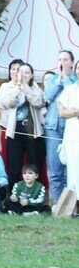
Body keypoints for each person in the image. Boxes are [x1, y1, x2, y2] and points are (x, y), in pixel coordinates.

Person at [0, 63, 45, 186]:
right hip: (15, 132)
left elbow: (38, 102)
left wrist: (26, 88)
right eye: (21, 72)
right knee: (14, 167)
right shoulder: (11, 87)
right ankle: (14, 197)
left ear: (32, 75)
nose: (23, 74)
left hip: (33, 132)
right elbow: (7, 103)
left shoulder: (36, 88)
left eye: (26, 72)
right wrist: (18, 88)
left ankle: (35, 197)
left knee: (34, 167)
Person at [44, 50, 76, 204]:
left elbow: (73, 99)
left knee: (70, 167)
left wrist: (67, 79)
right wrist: (59, 80)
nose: (62, 62)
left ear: (72, 62)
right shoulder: (52, 80)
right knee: (55, 167)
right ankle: (57, 204)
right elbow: (48, 96)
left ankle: (71, 203)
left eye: (65, 59)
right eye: (59, 59)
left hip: (72, 129)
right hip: (53, 127)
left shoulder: (75, 81)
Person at [56, 63, 79, 212]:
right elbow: (61, 112)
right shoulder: (70, 89)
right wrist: (75, 113)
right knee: (73, 167)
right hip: (73, 133)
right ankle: (74, 204)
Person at [0, 58, 24, 157]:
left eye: (18, 69)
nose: (15, 72)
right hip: (7, 126)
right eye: (12, 69)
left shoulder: (28, 86)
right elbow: (4, 103)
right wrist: (17, 87)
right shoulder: (5, 86)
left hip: (25, 127)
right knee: (9, 156)